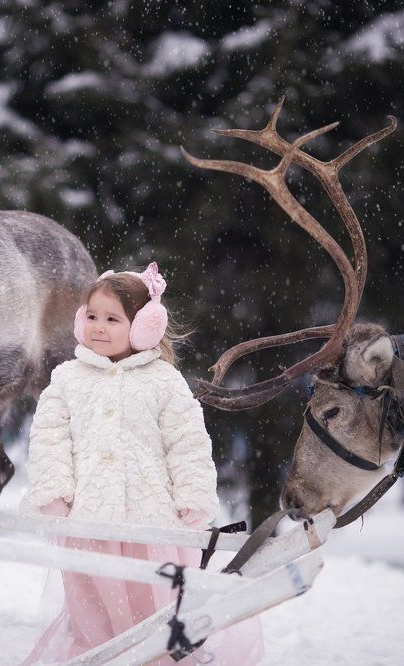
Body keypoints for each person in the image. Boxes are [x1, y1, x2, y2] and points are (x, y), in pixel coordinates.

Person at [19, 263, 263, 665]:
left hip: (152, 527)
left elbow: (187, 444)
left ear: (144, 325)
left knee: (153, 613)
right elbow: (48, 439)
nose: (99, 327)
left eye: (112, 319)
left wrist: (193, 496)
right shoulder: (67, 379)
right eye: (92, 317)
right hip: (88, 523)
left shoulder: (163, 382)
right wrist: (54, 491)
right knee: (93, 613)